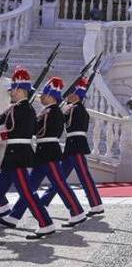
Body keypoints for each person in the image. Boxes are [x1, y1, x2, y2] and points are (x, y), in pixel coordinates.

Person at [3, 77, 86, 229]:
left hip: (49, 152)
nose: (40, 97)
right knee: (29, 187)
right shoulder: (47, 111)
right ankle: (15, 216)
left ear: (50, 96)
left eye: (43, 95)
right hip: (41, 153)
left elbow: (39, 132)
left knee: (59, 184)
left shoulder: (52, 112)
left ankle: (77, 211)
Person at [0, 67, 55, 239]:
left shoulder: (22, 109)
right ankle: (8, 214)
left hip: (18, 155)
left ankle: (46, 223)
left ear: (19, 90)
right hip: (13, 154)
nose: (11, 93)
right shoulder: (17, 108)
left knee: (26, 192)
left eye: (13, 90)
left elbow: (16, 129)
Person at [39, 77, 103, 216]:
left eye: (70, 94)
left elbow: (64, 121)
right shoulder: (77, 108)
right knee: (59, 178)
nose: (67, 96)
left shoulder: (74, 109)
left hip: (76, 145)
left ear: (75, 96)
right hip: (72, 145)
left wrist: (59, 109)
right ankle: (44, 200)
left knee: (84, 176)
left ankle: (96, 204)